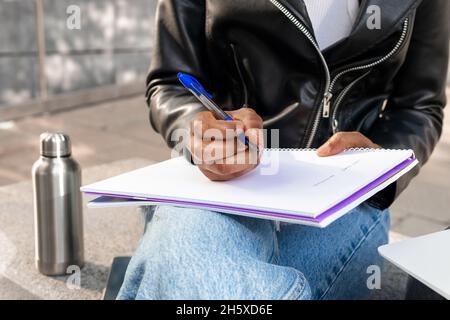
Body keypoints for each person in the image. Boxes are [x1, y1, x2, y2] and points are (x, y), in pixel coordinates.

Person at [117, 0, 449, 299]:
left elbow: (420, 107)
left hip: (348, 198)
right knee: (202, 256)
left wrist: (381, 158)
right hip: (219, 184)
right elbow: (171, 82)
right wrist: (201, 130)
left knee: (189, 266)